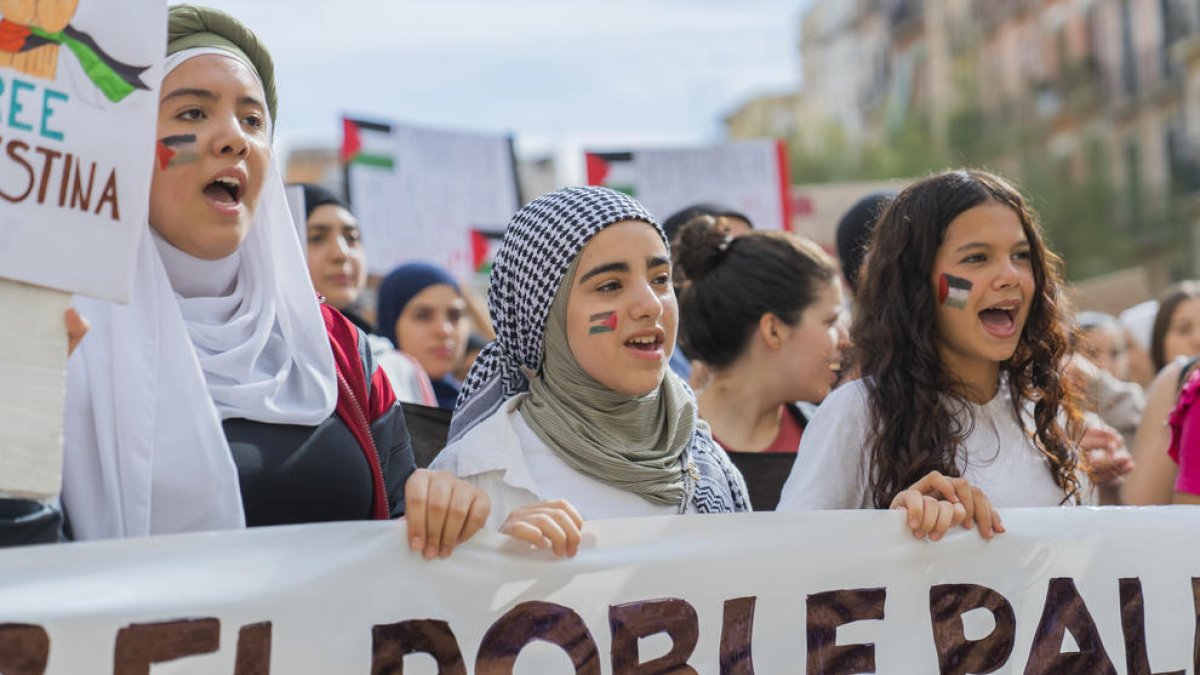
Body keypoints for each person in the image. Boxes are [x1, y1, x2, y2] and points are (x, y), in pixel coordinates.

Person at [62, 5, 488, 560]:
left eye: (253, 120)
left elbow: (406, 532)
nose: (233, 139)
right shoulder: (58, 338)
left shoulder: (336, 346)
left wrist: (453, 508)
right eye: (191, 113)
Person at [432, 186, 979, 557]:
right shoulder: (481, 471)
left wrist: (886, 527)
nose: (649, 304)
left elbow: (763, 607)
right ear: (541, 315)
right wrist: (491, 563)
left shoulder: (702, 459)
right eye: (608, 285)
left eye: (660, 278)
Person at [779, 169, 1088, 521]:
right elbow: (792, 561)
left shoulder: (1047, 416)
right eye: (976, 258)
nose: (1010, 277)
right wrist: (893, 528)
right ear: (918, 284)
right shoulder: (856, 415)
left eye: (1020, 255)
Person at [672, 217, 843, 510]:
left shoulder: (830, 443)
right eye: (830, 321)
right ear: (773, 330)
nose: (844, 339)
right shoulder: (664, 449)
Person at [295, 182, 435, 406]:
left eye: (352, 238)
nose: (342, 253)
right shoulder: (268, 360)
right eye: (317, 237)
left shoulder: (399, 367)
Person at [377, 263, 470, 409]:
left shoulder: (479, 406)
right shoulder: (375, 413)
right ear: (390, 323)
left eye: (455, 315)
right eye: (423, 316)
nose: (444, 330)